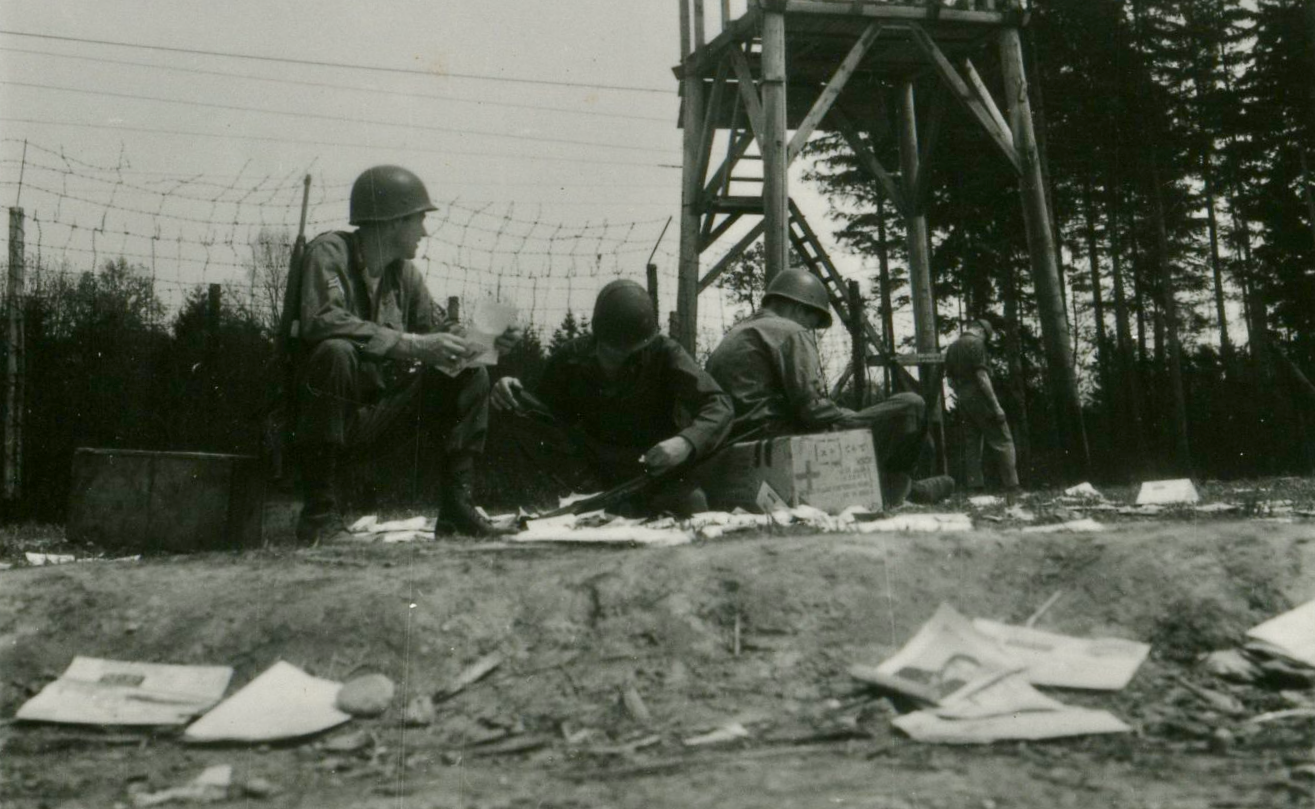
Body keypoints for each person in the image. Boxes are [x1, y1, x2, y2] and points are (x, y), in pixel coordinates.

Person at [292, 164, 518, 543]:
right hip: (325, 415)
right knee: (335, 351)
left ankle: (457, 510)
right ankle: (320, 516)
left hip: (380, 414)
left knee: (469, 372)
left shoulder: (404, 276)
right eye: (418, 219)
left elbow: (438, 332)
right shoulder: (328, 252)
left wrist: (485, 342)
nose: (424, 231)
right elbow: (321, 320)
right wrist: (411, 345)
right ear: (394, 220)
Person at [705, 267, 954, 509]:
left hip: (734, 445)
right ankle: (899, 488)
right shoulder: (790, 330)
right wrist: (851, 417)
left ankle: (905, 487)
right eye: (811, 322)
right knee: (911, 405)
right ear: (798, 306)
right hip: (779, 437)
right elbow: (812, 409)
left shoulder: (735, 335)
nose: (810, 329)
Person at [491, 279, 732, 516]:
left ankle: (626, 507)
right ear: (597, 337)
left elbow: (719, 404)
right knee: (512, 401)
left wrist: (686, 443)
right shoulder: (571, 356)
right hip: (584, 471)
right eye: (612, 350)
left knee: (693, 506)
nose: (620, 359)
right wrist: (507, 384)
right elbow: (541, 415)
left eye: (631, 353)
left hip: (649, 470)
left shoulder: (666, 354)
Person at [944, 316, 1019, 504]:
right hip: (980, 397)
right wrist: (996, 406)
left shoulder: (952, 348)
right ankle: (1013, 486)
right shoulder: (976, 345)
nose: (986, 340)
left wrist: (963, 394)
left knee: (972, 443)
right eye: (987, 336)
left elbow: (950, 381)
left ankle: (975, 487)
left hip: (963, 399)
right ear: (981, 331)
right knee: (1003, 439)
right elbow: (982, 377)